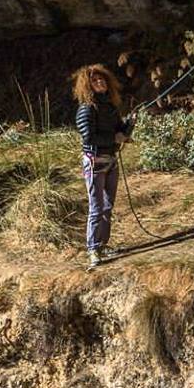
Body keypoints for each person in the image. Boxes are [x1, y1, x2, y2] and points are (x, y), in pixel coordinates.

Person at [72, 64, 133, 270]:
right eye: (95, 81)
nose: (100, 83)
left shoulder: (110, 106)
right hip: (94, 161)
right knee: (96, 208)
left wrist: (128, 127)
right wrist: (114, 137)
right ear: (88, 86)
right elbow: (88, 137)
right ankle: (92, 250)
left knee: (108, 207)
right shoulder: (86, 109)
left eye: (102, 80)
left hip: (111, 161)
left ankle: (102, 245)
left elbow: (118, 130)